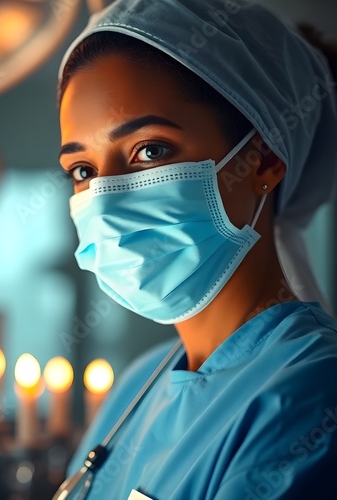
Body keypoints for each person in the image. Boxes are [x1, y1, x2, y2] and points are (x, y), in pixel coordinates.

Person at [55, 0, 337, 498]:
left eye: (150, 150)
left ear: (264, 159)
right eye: (83, 171)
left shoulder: (312, 391)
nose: (106, 200)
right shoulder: (138, 385)